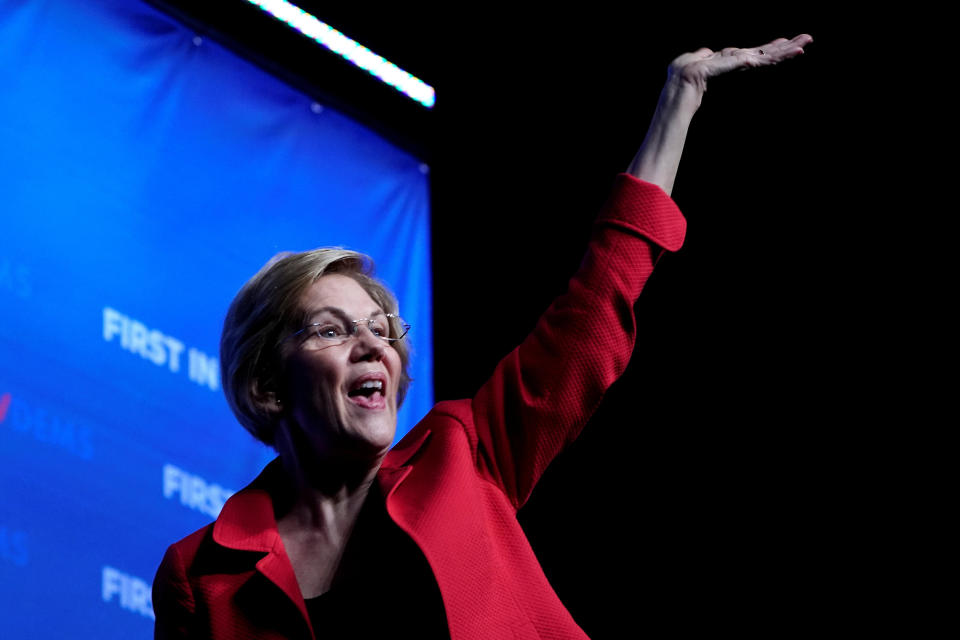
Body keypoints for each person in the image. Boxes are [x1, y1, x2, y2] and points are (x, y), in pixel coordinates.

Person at [152, 34, 812, 640]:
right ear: (268, 384)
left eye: (382, 330)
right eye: (332, 329)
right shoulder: (199, 575)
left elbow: (591, 311)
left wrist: (679, 98)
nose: (372, 345)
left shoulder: (462, 453)